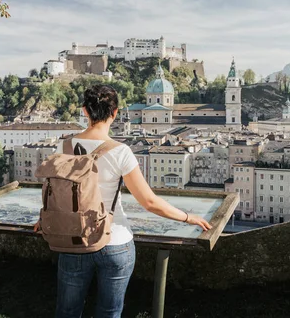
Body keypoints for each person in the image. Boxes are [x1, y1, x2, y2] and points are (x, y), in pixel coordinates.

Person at [43, 84, 211, 318]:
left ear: (85, 111)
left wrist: (46, 220)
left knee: (67, 311)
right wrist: (187, 217)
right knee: (110, 312)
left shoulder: (65, 146)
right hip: (115, 240)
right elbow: (149, 202)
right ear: (115, 112)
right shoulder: (121, 151)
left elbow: (55, 192)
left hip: (74, 238)